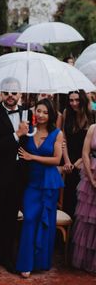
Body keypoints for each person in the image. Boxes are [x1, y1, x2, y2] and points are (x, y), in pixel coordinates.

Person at [0, 77, 30, 275]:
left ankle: (7, 256)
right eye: (6, 92)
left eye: (14, 92)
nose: (10, 96)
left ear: (19, 94)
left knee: (11, 218)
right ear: (1, 94)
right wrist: (16, 134)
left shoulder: (27, 114)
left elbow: (30, 142)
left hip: (18, 176)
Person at [16, 99, 63, 278]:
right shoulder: (28, 131)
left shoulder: (57, 134)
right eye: (39, 111)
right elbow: (17, 152)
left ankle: (41, 261)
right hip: (31, 182)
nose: (41, 115)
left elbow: (57, 160)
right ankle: (25, 263)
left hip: (48, 182)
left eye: (45, 112)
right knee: (29, 219)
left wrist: (32, 157)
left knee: (45, 220)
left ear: (50, 114)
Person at [59, 90, 94, 218]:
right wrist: (67, 160)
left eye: (77, 100)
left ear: (83, 99)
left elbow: (93, 143)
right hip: (69, 157)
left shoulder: (92, 115)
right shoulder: (67, 113)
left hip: (85, 159)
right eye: (71, 100)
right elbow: (63, 138)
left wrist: (82, 160)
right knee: (69, 196)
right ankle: (66, 235)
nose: (74, 103)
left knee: (82, 199)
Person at [72, 122, 96, 273]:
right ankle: (87, 260)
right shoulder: (93, 128)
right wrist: (92, 179)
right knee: (88, 218)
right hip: (90, 176)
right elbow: (85, 153)